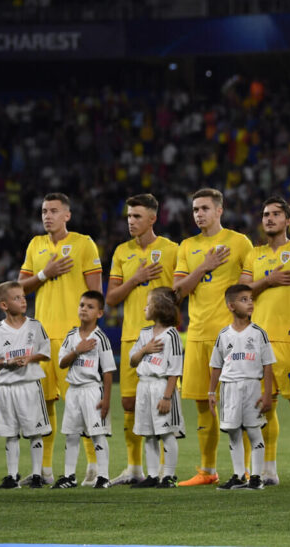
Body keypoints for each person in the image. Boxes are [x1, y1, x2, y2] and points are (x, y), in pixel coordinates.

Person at [17, 193, 102, 485]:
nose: (47, 216)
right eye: (44, 211)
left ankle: (94, 467)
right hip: (41, 338)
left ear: (67, 215)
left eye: (53, 211)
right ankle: (44, 471)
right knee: (44, 405)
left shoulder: (83, 243)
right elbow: (19, 289)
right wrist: (44, 273)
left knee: (82, 404)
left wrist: (89, 332)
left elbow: (95, 293)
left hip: (73, 338)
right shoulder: (35, 245)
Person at [173, 188, 252, 486]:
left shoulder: (239, 242)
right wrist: (204, 266)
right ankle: (207, 471)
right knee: (202, 405)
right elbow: (177, 292)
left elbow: (248, 289)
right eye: (195, 209)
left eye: (204, 208)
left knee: (236, 403)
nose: (199, 214)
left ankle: (245, 470)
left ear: (219, 210)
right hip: (197, 334)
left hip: (230, 337)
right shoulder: (187, 246)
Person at [105, 193, 179, 486]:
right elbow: (111, 298)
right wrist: (136, 278)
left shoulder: (172, 250)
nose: (131, 221)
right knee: (129, 403)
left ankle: (165, 471)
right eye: (128, 216)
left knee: (161, 401)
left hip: (161, 338)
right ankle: (135, 468)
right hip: (131, 337)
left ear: (152, 218)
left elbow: (179, 293)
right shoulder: (121, 251)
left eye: (137, 216)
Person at [245, 197, 290, 486]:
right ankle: (268, 470)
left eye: (275, 214)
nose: (269, 218)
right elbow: (241, 292)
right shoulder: (253, 255)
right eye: (265, 214)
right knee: (264, 408)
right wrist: (268, 281)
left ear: (288, 220)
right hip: (259, 343)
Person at [0, 281, 53, 489]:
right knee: (10, 432)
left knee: (35, 431)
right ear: (4, 305)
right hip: (6, 388)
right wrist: (7, 362)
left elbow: (46, 352)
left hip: (30, 385)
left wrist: (30, 358)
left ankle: (37, 475)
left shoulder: (35, 326)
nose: (23, 301)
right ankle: (12, 477)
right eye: (17, 298)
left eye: (23, 297)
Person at [208, 284, 276, 490]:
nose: (250, 303)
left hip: (252, 386)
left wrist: (267, 394)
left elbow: (268, 365)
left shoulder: (259, 333)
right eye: (244, 299)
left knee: (254, 431)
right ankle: (239, 476)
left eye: (251, 299)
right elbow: (216, 365)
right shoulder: (223, 335)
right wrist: (211, 392)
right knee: (233, 432)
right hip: (229, 387)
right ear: (231, 306)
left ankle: (256, 477)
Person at [52, 290, 114, 489]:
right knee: (71, 434)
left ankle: (103, 477)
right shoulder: (71, 336)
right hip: (73, 391)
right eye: (82, 305)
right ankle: (69, 476)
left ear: (99, 313)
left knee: (97, 434)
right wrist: (77, 350)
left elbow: (108, 371)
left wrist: (106, 400)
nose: (84, 309)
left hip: (92, 390)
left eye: (90, 307)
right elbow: (62, 363)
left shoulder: (100, 338)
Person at [130, 287, 186, 489]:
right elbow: (132, 361)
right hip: (144, 386)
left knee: (166, 433)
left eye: (148, 304)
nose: (144, 308)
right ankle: (153, 475)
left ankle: (169, 476)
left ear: (160, 306)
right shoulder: (144, 333)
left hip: (162, 387)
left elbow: (175, 370)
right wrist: (145, 349)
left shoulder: (172, 335)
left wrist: (167, 397)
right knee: (149, 433)